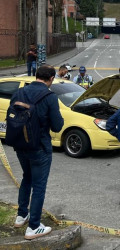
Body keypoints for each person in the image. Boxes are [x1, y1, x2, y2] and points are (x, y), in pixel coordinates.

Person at [11, 65, 64, 239]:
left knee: (27, 177)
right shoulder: (50, 97)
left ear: (36, 76)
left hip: (20, 145)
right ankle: (33, 226)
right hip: (40, 147)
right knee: (39, 186)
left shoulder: (20, 92)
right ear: (51, 79)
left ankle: (21, 215)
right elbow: (57, 126)